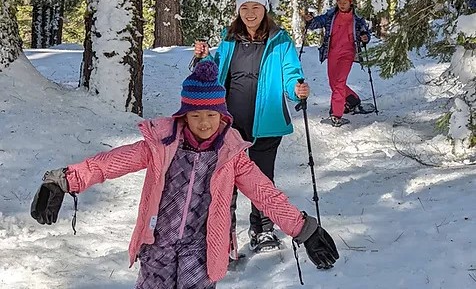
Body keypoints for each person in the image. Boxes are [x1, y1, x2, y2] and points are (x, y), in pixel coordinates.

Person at [30, 61, 338, 289]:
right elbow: (110, 163)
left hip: (203, 251)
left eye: (211, 115)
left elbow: (264, 193)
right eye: (195, 115)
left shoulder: (231, 156)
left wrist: (302, 228)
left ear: (223, 116)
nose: (204, 123)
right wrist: (65, 179)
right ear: (183, 114)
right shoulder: (161, 145)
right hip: (157, 247)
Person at [193, 0, 310, 255]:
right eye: (244, 8)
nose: (250, 14)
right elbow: (214, 70)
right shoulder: (229, 38)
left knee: (262, 179)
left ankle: (262, 228)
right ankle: (223, 235)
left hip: (267, 122)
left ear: (264, 9)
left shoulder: (280, 41)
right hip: (229, 121)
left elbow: (291, 74)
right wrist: (203, 58)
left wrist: (297, 90)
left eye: (255, 8)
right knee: (225, 178)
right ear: (238, 11)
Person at [304, 0, 371, 127]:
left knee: (339, 83)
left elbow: (365, 33)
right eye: (340, 2)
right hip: (332, 52)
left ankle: (336, 115)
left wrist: (365, 37)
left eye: (345, 2)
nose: (342, 4)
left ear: (351, 3)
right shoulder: (331, 16)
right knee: (333, 83)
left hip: (348, 53)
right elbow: (316, 23)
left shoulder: (356, 19)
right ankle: (353, 100)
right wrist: (310, 20)